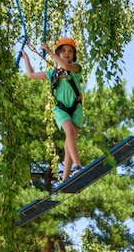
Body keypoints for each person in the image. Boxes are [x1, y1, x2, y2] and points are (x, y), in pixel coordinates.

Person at [21, 37, 84, 181]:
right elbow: (31, 75)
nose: (66, 53)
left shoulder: (76, 68)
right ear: (58, 53)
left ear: (74, 55)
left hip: (76, 109)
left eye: (69, 51)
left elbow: (67, 67)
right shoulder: (52, 73)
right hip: (61, 109)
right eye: (63, 51)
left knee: (70, 141)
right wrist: (26, 58)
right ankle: (78, 166)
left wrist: (49, 51)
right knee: (69, 131)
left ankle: (66, 178)